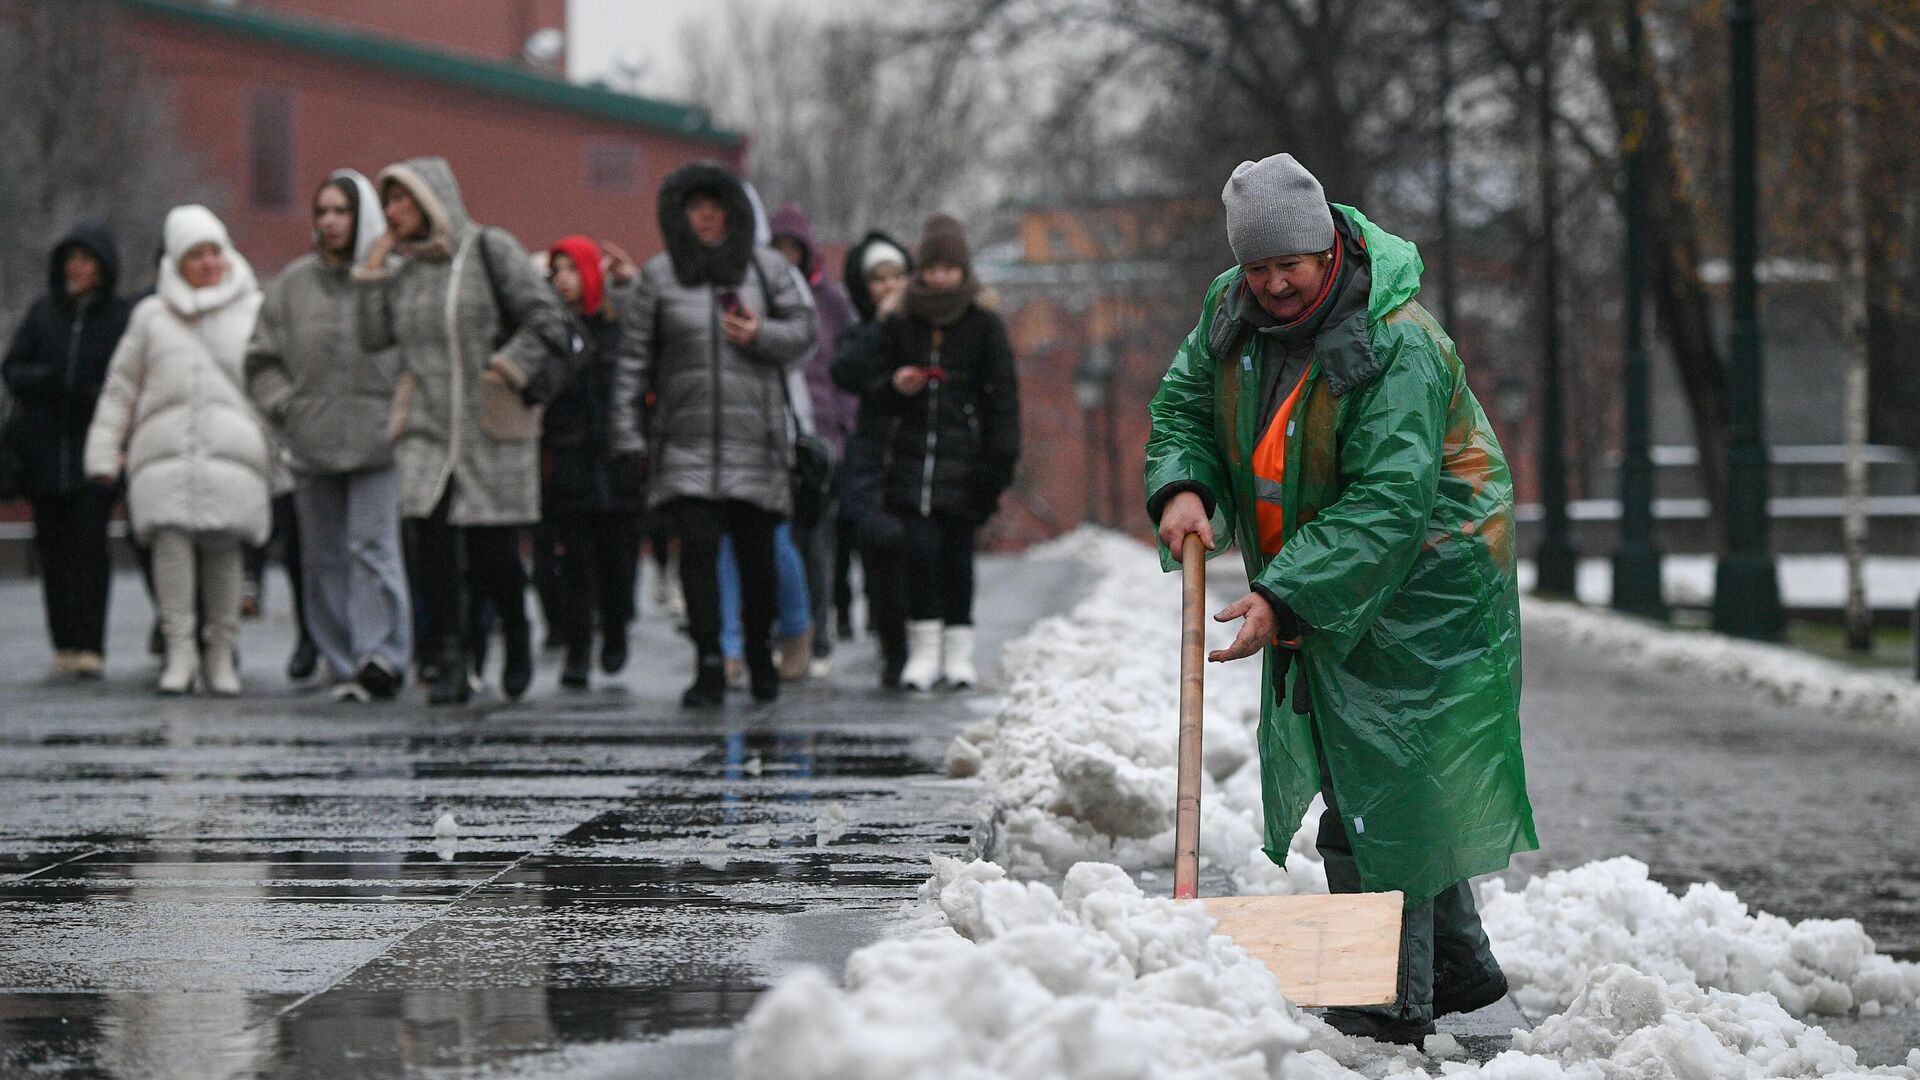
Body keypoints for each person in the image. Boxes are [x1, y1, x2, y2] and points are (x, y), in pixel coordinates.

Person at [1144, 153, 1537, 1045]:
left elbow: (1388, 503)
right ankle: (1459, 973)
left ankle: (1381, 1006)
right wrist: (1182, 486)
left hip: (1430, 580)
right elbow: (1184, 410)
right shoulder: (1228, 315)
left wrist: (1282, 595)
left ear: (1329, 249)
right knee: (1391, 779)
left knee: (1380, 780)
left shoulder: (1396, 340)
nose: (1276, 284)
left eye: (1293, 264)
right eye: (1259, 267)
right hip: (1329, 573)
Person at [354, 156, 570, 705]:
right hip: (425, 426)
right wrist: (373, 273)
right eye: (388, 203)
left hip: (487, 423)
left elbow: (545, 316)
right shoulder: (404, 273)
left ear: (431, 200)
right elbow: (374, 338)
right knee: (429, 542)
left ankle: (515, 632)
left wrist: (508, 366)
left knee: (493, 551)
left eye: (403, 200)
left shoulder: (488, 249)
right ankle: (449, 656)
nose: (393, 212)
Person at [609, 161, 816, 707]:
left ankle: (757, 654)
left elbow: (805, 333)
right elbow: (632, 361)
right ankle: (707, 661)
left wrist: (761, 334)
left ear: (734, 213)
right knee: (696, 557)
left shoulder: (767, 269)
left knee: (757, 556)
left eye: (715, 207)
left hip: (756, 440)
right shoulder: (658, 277)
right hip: (685, 440)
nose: (704, 217)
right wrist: (628, 432)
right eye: (694, 207)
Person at [84, 206, 273, 696]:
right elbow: (121, 387)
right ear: (176, 260)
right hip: (162, 454)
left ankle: (220, 653)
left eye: (214, 251)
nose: (207, 263)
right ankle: (180, 650)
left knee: (224, 551)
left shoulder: (254, 310)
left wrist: (281, 451)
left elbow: (273, 386)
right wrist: (104, 453)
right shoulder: (149, 316)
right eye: (196, 255)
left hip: (232, 453)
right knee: (170, 549)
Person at [831, 215, 1019, 692]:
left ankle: (958, 653)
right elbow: (852, 371)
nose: (938, 277)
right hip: (908, 465)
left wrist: (996, 469)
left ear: (962, 270)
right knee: (919, 556)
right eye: (930, 267)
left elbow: (1004, 403)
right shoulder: (901, 321)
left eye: (948, 268)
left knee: (957, 559)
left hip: (965, 466)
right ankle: (922, 652)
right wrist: (894, 379)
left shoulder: (984, 324)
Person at [246, 170, 412, 702]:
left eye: (341, 211)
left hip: (377, 438)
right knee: (321, 557)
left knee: (374, 549)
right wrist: (285, 407)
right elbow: (261, 359)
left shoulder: (392, 276)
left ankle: (382, 656)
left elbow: (417, 350)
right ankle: (340, 662)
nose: (330, 221)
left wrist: (404, 412)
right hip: (312, 439)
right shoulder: (292, 284)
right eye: (322, 211)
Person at [3, 225, 132, 679]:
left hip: (92, 452)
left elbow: (127, 380)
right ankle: (64, 642)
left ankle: (91, 644)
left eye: (86, 259)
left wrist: (88, 394)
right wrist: (49, 382)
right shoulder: (43, 314)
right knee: (53, 553)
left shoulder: (119, 318)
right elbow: (13, 368)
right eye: (71, 260)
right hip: (43, 454)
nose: (76, 269)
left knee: (90, 551)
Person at [540, 235, 642, 690]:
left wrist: (632, 284)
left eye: (569, 269)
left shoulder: (618, 324)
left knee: (618, 560)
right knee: (575, 563)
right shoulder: (550, 329)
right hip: (569, 458)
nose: (561, 280)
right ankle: (579, 649)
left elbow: (655, 331)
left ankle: (616, 628)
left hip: (618, 459)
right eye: (555, 270)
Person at [770, 203, 858, 678]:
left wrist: (842, 420)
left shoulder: (831, 303)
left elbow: (847, 367)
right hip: (772, 435)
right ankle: (781, 632)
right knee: (773, 541)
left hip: (822, 439)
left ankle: (818, 636)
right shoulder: (758, 296)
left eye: (793, 249)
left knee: (817, 543)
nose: (786, 258)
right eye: (777, 248)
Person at [831, 232, 914, 687]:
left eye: (898, 275)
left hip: (917, 450)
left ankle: (920, 644)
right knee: (878, 548)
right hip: (873, 454)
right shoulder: (861, 328)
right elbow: (846, 373)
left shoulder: (926, 324)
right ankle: (892, 648)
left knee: (917, 552)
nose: (890, 285)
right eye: (879, 279)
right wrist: (882, 324)